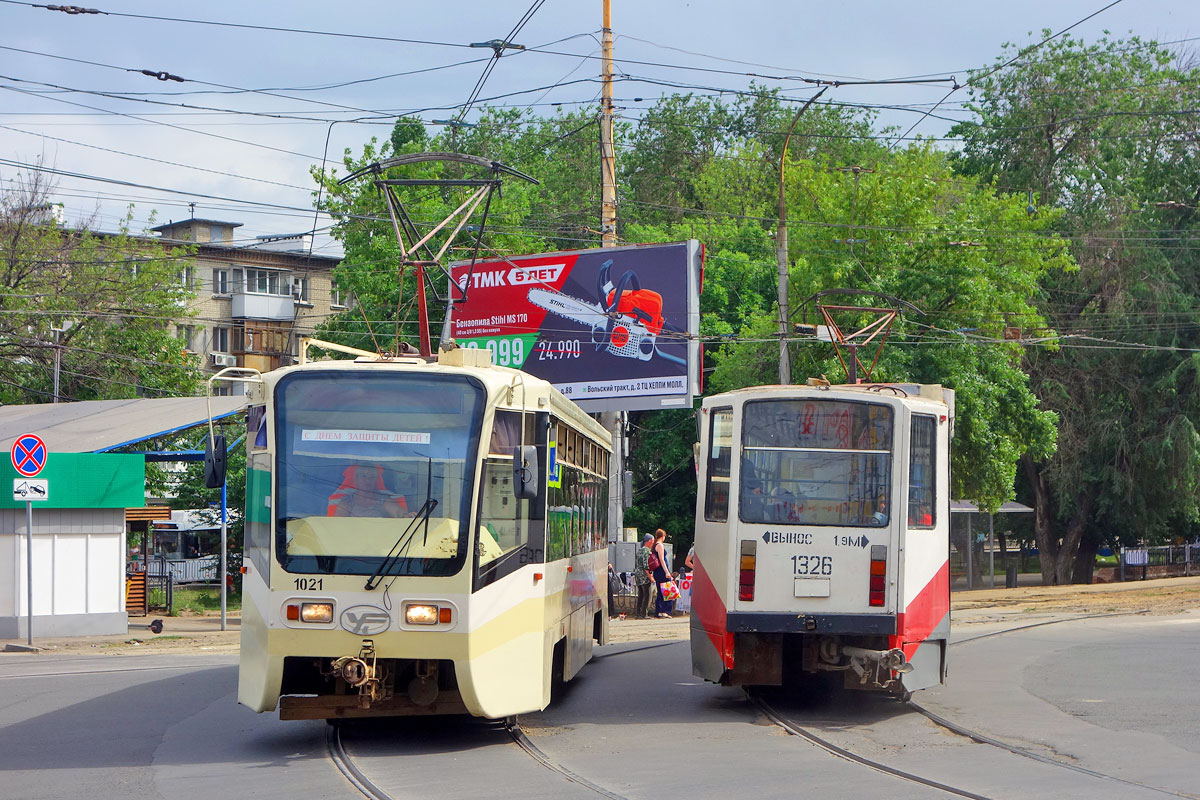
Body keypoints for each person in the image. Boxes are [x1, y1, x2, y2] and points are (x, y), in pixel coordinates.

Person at [651, 528, 673, 618]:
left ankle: (659, 611)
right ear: (663, 536)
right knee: (667, 590)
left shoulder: (655, 545)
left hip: (657, 571)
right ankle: (665, 610)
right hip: (662, 571)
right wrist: (667, 572)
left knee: (660, 591)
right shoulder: (660, 545)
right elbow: (662, 559)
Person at [633, 533, 654, 618]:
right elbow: (646, 566)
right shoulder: (647, 551)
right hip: (644, 576)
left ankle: (638, 613)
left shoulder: (639, 550)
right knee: (647, 594)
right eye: (652, 540)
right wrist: (650, 577)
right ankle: (644, 614)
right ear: (648, 541)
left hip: (638, 575)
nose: (653, 542)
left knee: (640, 594)